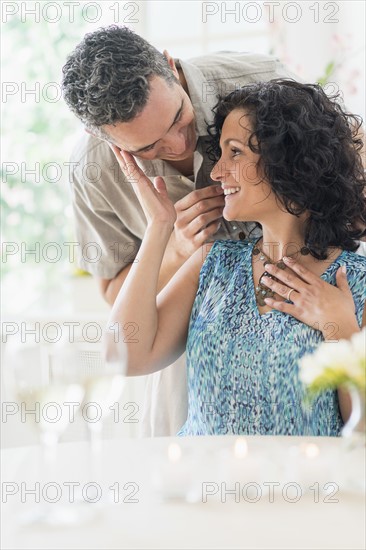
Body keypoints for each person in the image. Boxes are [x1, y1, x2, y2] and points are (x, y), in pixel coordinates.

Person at [61, 25, 304, 435]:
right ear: (99, 136)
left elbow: (340, 174)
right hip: (190, 359)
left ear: (171, 66)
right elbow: (119, 323)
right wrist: (172, 250)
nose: (177, 146)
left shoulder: (260, 85)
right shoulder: (94, 171)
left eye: (179, 118)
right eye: (148, 148)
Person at [105, 79, 366, 436]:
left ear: (287, 162)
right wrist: (159, 228)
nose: (216, 172)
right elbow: (123, 357)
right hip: (201, 487)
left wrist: (342, 329)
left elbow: (361, 436)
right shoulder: (211, 264)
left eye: (235, 152)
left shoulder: (355, 284)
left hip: (302, 490)